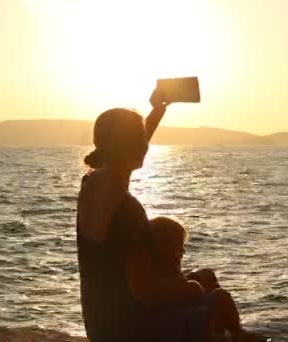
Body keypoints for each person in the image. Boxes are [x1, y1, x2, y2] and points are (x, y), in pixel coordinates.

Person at [76, 93, 254, 341]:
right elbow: (144, 292)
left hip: (100, 323)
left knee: (204, 277)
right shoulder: (127, 211)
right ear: (124, 144)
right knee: (213, 297)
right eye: (138, 138)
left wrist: (156, 113)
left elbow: (124, 153)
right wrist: (190, 289)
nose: (145, 145)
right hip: (130, 330)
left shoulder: (93, 184)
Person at [149, 217, 255, 341]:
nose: (183, 252)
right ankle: (237, 333)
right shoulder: (168, 268)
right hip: (178, 324)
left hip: (172, 315)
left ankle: (221, 325)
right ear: (165, 247)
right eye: (179, 247)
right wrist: (195, 285)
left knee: (207, 274)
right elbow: (190, 290)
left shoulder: (149, 269)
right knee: (221, 296)